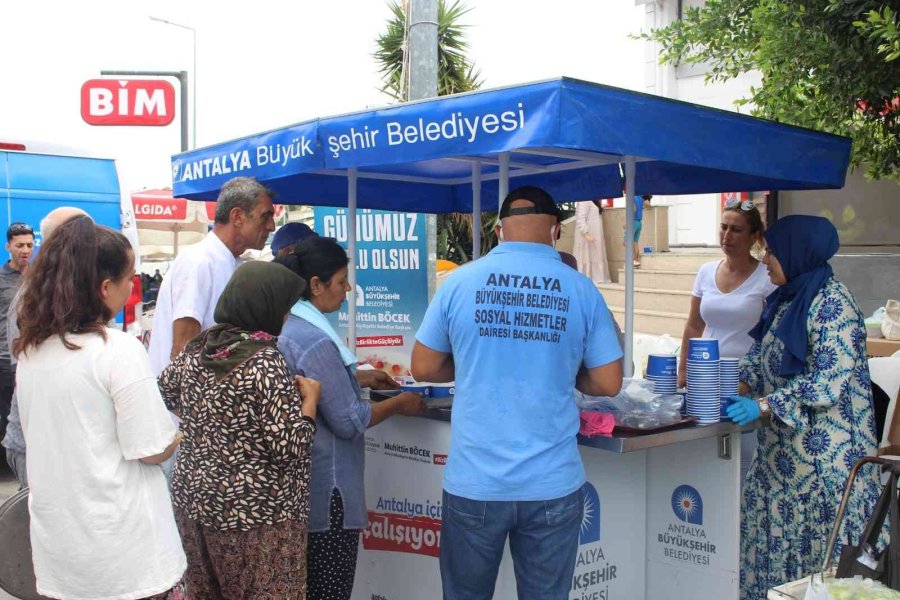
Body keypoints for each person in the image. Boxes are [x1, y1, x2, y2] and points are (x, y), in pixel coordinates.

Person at [412, 186, 624, 600]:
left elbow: (424, 367)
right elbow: (607, 382)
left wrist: (472, 362)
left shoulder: (459, 283)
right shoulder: (580, 290)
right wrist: (566, 370)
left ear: (499, 231)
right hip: (552, 483)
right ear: (554, 232)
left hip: (475, 482)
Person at [15, 215, 186, 599]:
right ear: (106, 287)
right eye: (130, 278)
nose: (132, 287)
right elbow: (152, 448)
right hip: (125, 556)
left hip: (63, 554)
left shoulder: (31, 351)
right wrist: (178, 433)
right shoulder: (118, 350)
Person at [725, 215, 882, 599]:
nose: (764, 260)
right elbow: (758, 359)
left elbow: (826, 382)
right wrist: (724, 388)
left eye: (772, 252)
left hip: (825, 473)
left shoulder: (834, 305)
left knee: (819, 574)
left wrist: (762, 406)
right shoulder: (785, 301)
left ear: (799, 253)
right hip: (779, 467)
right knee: (770, 564)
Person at [275, 236, 426, 600]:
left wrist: (354, 376)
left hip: (298, 491)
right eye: (341, 282)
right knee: (329, 590)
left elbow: (309, 382)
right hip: (329, 490)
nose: (346, 292)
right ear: (315, 285)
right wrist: (399, 404)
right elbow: (349, 419)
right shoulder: (314, 339)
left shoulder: (289, 326)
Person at [159, 261, 319, 598]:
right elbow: (289, 446)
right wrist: (309, 403)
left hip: (196, 501)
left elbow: (165, 392)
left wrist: (208, 419)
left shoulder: (198, 348)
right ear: (265, 306)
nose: (287, 316)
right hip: (258, 514)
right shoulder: (264, 362)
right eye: (285, 307)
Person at [678, 199, 776, 480]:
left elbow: (769, 337)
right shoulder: (706, 271)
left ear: (754, 236)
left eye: (736, 229)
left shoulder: (766, 276)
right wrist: (684, 370)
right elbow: (694, 325)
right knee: (706, 464)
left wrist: (750, 383)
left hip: (745, 386)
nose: (727, 236)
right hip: (704, 381)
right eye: (723, 227)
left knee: (742, 464)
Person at [148, 176, 277, 375]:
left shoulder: (233, 263)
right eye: (265, 216)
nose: (271, 226)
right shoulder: (198, 262)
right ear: (237, 217)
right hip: (186, 403)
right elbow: (183, 349)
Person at [3, 208, 86, 489]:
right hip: (38, 443)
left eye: (30, 244)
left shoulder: (76, 288)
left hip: (60, 443)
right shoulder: (36, 294)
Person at [0, 222, 33, 442]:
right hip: (4, 361)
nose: (25, 250)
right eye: (19, 245)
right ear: (8, 247)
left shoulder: (38, 277)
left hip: (32, 358)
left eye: (29, 245)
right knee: (10, 419)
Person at [573, 200, 611, 283]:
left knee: (595, 256)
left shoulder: (593, 200)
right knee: (587, 257)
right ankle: (587, 278)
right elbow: (580, 218)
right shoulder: (584, 200)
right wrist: (586, 233)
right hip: (587, 238)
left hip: (595, 236)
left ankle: (598, 277)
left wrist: (601, 206)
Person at [624, 194, 651, 267]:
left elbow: (633, 209)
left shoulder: (631, 197)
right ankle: (636, 260)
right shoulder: (641, 198)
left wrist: (627, 222)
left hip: (632, 222)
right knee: (635, 242)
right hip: (639, 223)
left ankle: (632, 260)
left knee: (627, 242)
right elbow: (646, 206)